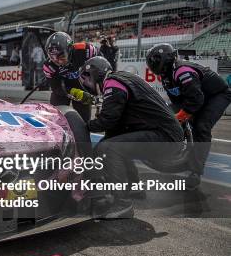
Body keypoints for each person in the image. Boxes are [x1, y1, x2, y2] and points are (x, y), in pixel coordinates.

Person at [80, 56, 184, 218]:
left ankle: (119, 202)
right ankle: (134, 188)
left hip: (164, 136)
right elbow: (114, 130)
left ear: (96, 73)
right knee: (111, 145)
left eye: (87, 78)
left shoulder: (112, 83)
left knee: (109, 149)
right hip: (167, 134)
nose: (86, 84)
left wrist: (83, 127)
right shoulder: (122, 79)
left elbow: (108, 120)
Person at [146, 43, 231, 189]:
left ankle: (195, 172)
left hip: (217, 95)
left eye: (154, 60)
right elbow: (177, 101)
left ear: (165, 59)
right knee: (177, 115)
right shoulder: (166, 76)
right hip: (198, 96)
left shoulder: (182, 70)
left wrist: (181, 117)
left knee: (202, 126)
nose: (152, 64)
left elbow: (196, 100)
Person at [43, 31, 98, 122]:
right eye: (53, 58)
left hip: (83, 86)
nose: (58, 61)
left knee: (83, 121)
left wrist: (94, 89)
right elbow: (56, 88)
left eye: (62, 56)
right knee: (56, 119)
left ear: (70, 49)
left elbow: (101, 65)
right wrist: (74, 92)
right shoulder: (49, 66)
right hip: (64, 88)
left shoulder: (87, 50)